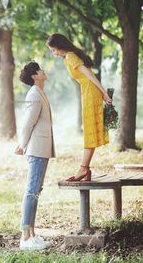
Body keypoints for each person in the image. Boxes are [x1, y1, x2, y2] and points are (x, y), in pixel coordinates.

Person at [46, 33, 112, 182]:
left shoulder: (70, 57)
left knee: (90, 130)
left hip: (91, 92)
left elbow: (90, 75)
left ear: (59, 47)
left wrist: (104, 93)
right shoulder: (69, 57)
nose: (53, 53)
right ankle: (85, 168)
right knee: (90, 131)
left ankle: (83, 168)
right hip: (88, 91)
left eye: (53, 50)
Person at [14, 61, 55, 250]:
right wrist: (22, 145)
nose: (42, 70)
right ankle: (25, 238)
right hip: (36, 149)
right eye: (38, 69)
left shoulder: (39, 93)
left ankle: (31, 234)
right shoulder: (34, 95)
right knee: (31, 192)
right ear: (34, 76)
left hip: (41, 148)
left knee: (35, 192)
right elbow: (27, 123)